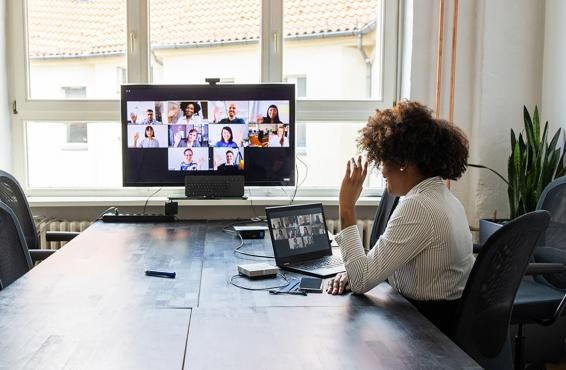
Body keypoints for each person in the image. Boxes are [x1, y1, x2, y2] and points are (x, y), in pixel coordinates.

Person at [326, 100, 474, 336]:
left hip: (424, 329)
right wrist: (356, 271)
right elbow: (372, 270)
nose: (382, 171)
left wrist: (346, 207)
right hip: (431, 316)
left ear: (403, 162)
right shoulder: (441, 196)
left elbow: (362, 280)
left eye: (384, 161)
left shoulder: (418, 207)